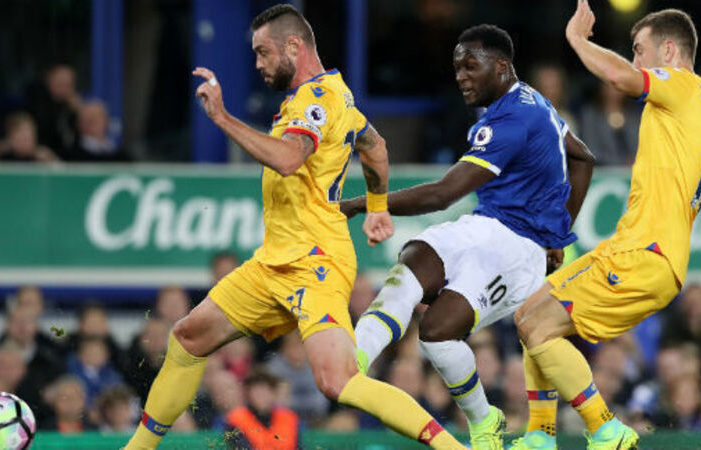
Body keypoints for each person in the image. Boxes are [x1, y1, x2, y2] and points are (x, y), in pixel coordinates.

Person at [124, 5, 463, 449]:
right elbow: (375, 146)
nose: (258, 64)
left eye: (263, 52)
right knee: (188, 337)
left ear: (293, 46)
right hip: (274, 262)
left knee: (337, 380)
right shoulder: (333, 96)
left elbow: (288, 159)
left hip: (315, 261)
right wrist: (377, 206)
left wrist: (222, 117)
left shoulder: (315, 100)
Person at [511, 3, 701, 449]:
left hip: (644, 252)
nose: (636, 60)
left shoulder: (681, 84)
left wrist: (577, 40)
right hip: (648, 256)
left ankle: (605, 428)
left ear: (669, 50)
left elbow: (620, 77)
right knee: (528, 315)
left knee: (537, 327)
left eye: (640, 50)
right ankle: (540, 435)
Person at [342, 24, 594, 449]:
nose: (461, 76)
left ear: (502, 66)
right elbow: (582, 157)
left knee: (436, 333)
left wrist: (360, 204)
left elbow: (443, 194)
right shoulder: (531, 100)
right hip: (487, 226)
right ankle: (354, 360)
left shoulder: (514, 118)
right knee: (414, 256)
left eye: (471, 66)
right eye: (458, 67)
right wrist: (560, 231)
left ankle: (484, 422)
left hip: (518, 252)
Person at [224, 369, 299, 450]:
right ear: (248, 394)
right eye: (256, 391)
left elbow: (298, 446)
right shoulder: (236, 419)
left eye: (266, 391)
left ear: (273, 394)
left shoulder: (289, 418)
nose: (261, 396)